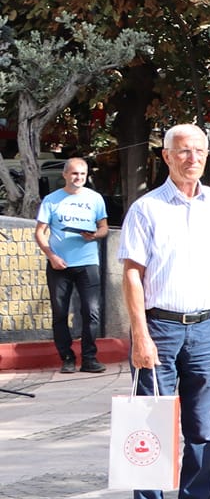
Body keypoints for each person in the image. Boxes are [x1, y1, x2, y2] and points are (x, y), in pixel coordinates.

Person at [117, 124, 210, 499]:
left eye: (200, 151)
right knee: (152, 425)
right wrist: (140, 335)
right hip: (161, 329)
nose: (192, 158)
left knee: (203, 430)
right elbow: (132, 274)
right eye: (183, 151)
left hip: (209, 327)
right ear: (166, 156)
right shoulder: (146, 210)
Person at [35, 156, 107, 373]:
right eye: (74, 173)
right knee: (60, 313)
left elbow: (104, 228)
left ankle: (89, 358)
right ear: (65, 174)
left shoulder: (95, 199)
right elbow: (40, 232)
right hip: (59, 264)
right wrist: (51, 256)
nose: (78, 178)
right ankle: (66, 357)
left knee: (91, 311)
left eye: (82, 174)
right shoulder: (51, 200)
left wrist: (94, 235)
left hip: (87, 262)